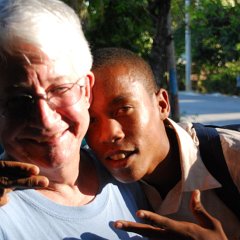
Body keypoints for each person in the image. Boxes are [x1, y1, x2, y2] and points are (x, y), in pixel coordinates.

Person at [0, 1, 150, 239]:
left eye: (60, 89)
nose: (45, 121)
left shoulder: (130, 170)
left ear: (86, 90)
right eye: (18, 100)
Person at [85, 47, 240, 239]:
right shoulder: (90, 172)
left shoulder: (233, 158)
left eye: (123, 109)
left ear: (162, 105)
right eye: (91, 120)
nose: (108, 134)